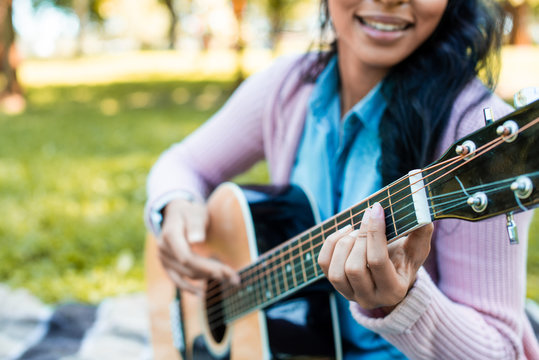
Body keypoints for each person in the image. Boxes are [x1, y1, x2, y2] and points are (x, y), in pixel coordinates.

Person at [145, 0, 539, 358]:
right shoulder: (289, 87)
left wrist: (405, 304)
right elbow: (183, 163)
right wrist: (175, 205)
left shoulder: (479, 135)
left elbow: (501, 350)